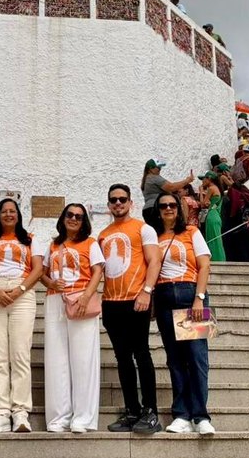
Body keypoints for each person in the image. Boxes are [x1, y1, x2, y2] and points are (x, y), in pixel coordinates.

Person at [0, 198, 45, 433]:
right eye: (4, 211)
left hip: (22, 293)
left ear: (18, 214)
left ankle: (21, 412)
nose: (8, 214)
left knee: (20, 354)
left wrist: (19, 290)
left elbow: (37, 269)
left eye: (12, 211)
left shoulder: (30, 239)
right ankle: (1, 412)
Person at [98, 185, 162, 434]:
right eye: (113, 200)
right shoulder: (103, 234)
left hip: (136, 299)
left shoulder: (143, 228)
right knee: (122, 358)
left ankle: (151, 411)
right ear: (109, 204)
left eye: (122, 199)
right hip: (111, 302)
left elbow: (154, 260)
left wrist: (147, 291)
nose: (118, 203)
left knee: (142, 354)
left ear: (130, 202)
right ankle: (132, 410)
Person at [152, 193, 214, 435]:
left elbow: (205, 265)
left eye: (172, 205)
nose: (168, 208)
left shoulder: (191, 232)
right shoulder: (153, 236)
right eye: (163, 205)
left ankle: (201, 415)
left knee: (197, 358)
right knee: (175, 358)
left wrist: (199, 298)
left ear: (179, 209)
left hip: (190, 293)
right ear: (157, 210)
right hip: (165, 295)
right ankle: (181, 415)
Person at [40, 203, 105, 433]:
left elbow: (98, 270)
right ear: (63, 217)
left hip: (80, 299)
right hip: (55, 300)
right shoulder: (53, 244)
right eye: (70, 215)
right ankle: (59, 417)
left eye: (79, 216)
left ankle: (83, 418)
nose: (74, 219)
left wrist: (86, 297)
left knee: (83, 360)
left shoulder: (91, 243)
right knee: (56, 360)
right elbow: (43, 274)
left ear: (84, 220)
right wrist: (50, 283)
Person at [140, 159, 194, 228]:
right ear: (150, 169)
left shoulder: (147, 179)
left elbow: (169, 190)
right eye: (158, 168)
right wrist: (187, 181)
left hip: (148, 209)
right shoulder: (154, 178)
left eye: (160, 167)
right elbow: (171, 187)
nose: (160, 169)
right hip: (155, 209)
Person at [198, 172, 226, 262]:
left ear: (209, 179)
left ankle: (216, 260)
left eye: (204, 179)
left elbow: (203, 204)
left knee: (212, 240)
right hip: (216, 215)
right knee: (217, 240)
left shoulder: (211, 188)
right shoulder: (217, 188)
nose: (202, 181)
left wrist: (201, 192)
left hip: (211, 216)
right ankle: (220, 259)